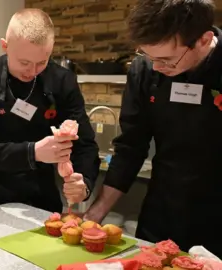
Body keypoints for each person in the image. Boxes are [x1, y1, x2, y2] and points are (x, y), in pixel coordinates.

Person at [84, 0, 222, 256]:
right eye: (148, 56)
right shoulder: (145, 70)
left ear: (204, 40)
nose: (156, 67)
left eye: (167, 60)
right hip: (161, 212)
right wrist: (95, 213)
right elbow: (130, 147)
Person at [0, 8, 100, 213]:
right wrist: (34, 152)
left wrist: (85, 183)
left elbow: (85, 143)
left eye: (42, 63)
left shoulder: (62, 81)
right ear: (5, 47)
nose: (32, 71)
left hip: (41, 196)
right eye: (24, 62)